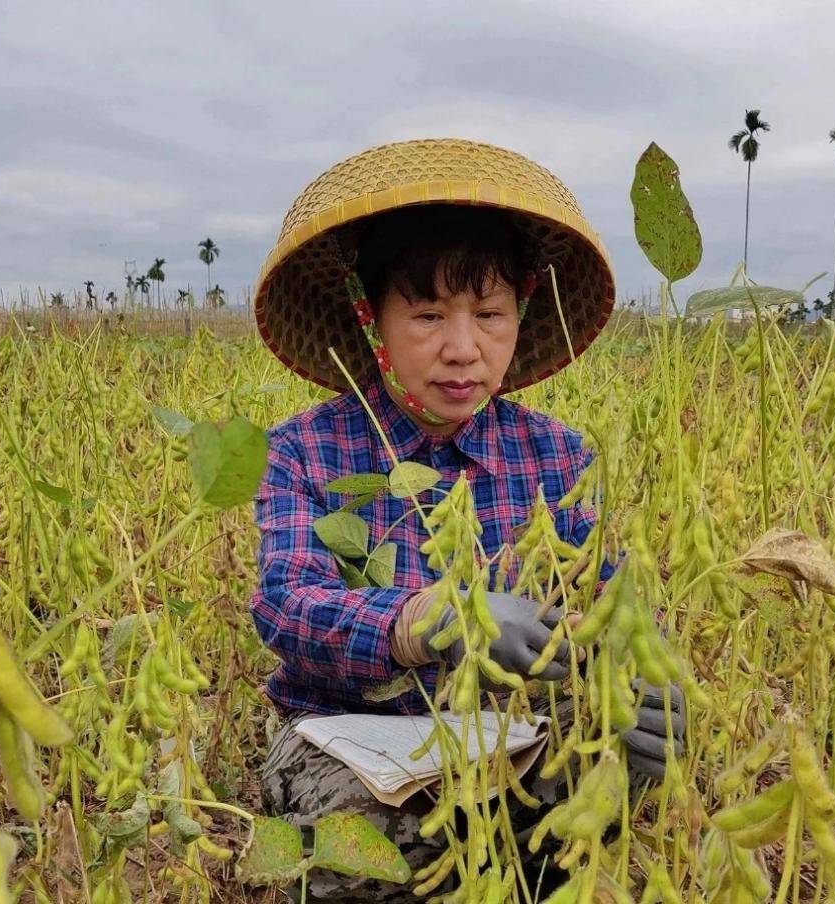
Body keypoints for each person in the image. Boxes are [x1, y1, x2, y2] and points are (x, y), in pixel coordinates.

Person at [249, 138, 685, 902]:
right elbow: (287, 607)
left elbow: (612, 610)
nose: (462, 349)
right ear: (370, 319)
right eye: (425, 315)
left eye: (489, 315)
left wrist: (637, 697)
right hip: (342, 738)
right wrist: (434, 619)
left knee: (596, 791)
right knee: (366, 863)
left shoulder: (557, 456)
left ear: (518, 319)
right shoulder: (302, 450)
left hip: (512, 737)